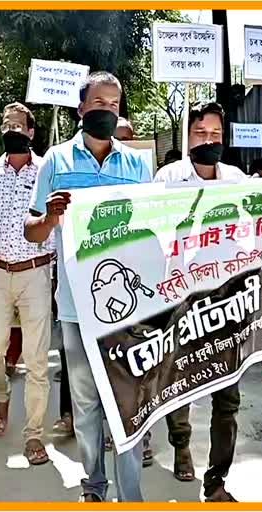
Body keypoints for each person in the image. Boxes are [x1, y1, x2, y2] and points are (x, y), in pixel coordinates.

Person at [24, 71, 150, 502]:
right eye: (99, 104)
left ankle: (130, 494)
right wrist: (50, 219)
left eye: (114, 105)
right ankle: (94, 485)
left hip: (129, 308)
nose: (107, 112)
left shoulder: (137, 165)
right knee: (86, 403)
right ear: (81, 109)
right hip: (77, 307)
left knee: (129, 402)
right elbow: (31, 231)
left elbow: (153, 227)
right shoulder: (55, 162)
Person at [154, 101, 246, 502]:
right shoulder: (168, 178)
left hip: (228, 296)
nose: (208, 141)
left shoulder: (238, 180)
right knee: (183, 382)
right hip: (182, 297)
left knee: (228, 394)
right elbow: (152, 231)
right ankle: (181, 446)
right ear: (187, 137)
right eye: (200, 134)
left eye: (215, 135)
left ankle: (218, 478)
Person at [0, 102, 55, 465]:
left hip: (37, 272)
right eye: (6, 124)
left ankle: (34, 434)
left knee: (38, 359)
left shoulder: (48, 170)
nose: (12, 129)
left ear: (32, 133)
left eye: (19, 125)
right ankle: (1, 395)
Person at [101, 116, 155, 467]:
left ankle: (143, 436)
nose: (120, 139)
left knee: (137, 371)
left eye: (125, 136)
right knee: (104, 371)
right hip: (99, 298)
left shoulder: (138, 169)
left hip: (136, 295)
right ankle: (110, 432)